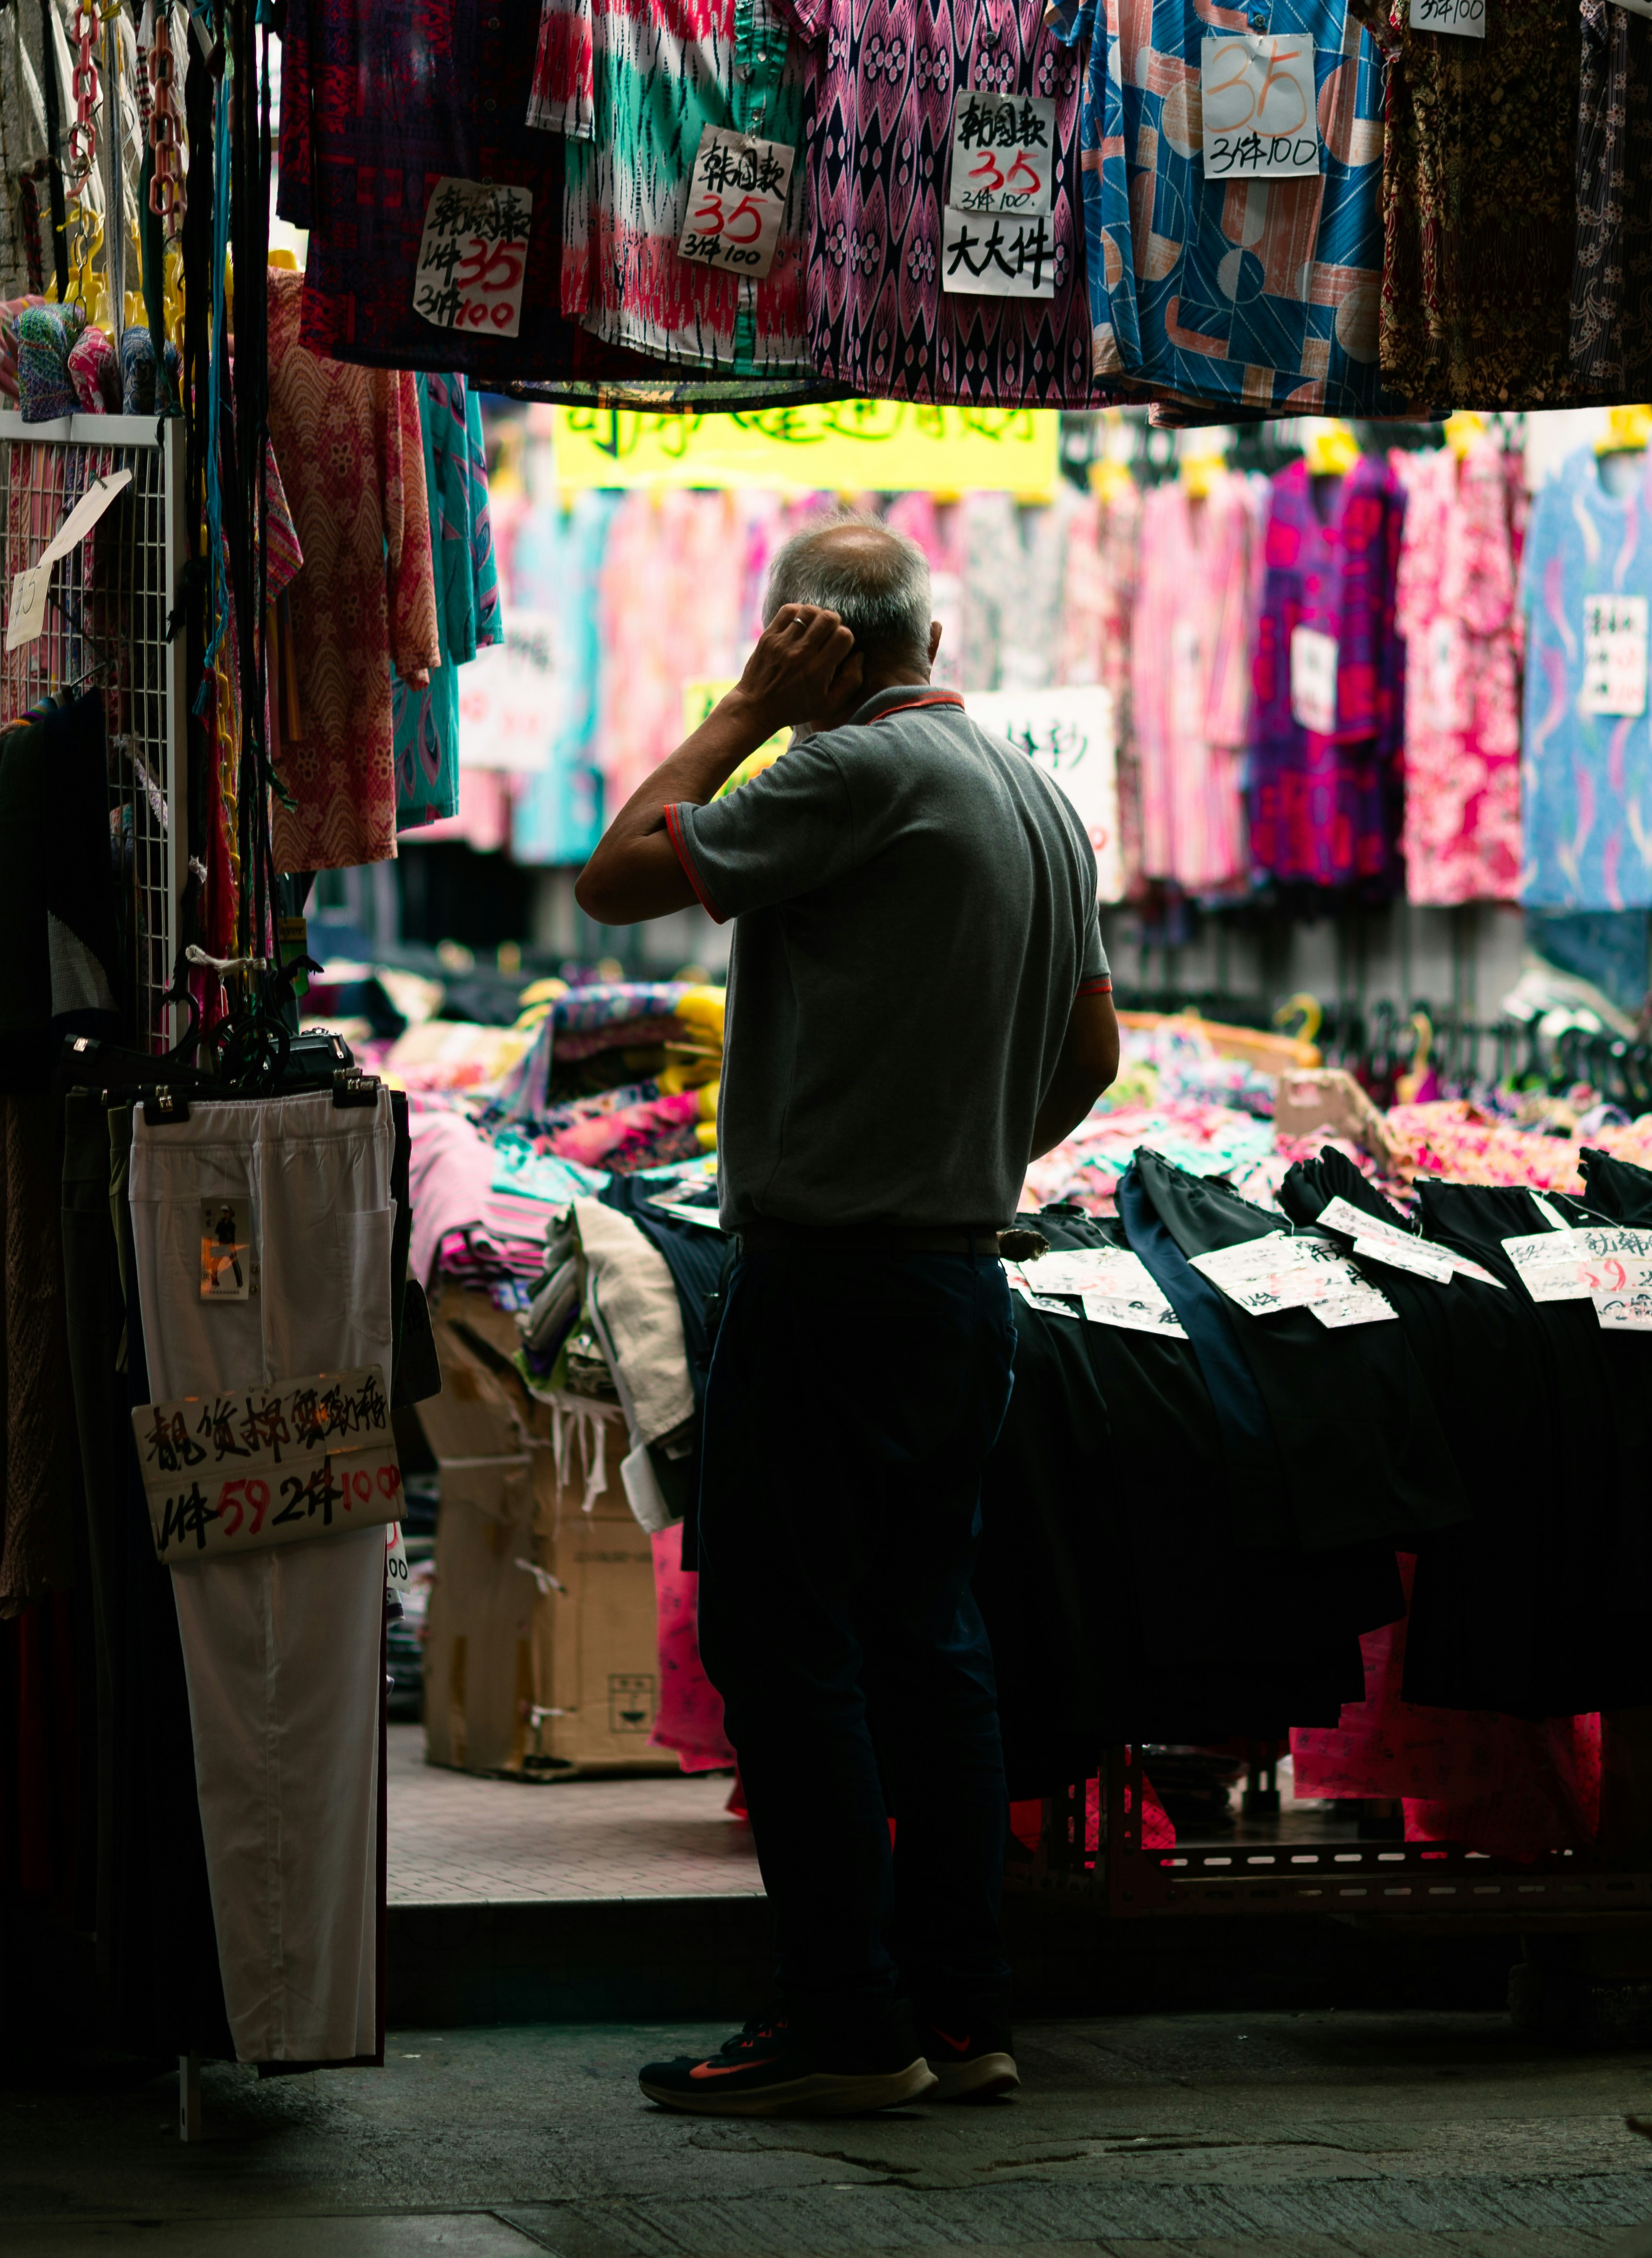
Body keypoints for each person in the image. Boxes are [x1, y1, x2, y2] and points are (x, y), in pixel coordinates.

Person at [573, 519, 1117, 2117]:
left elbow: (614, 876)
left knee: (782, 1638)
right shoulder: (1034, 792)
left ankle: (844, 2017)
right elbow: (1092, 1049)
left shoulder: (851, 771)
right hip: (958, 1278)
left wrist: (744, 706)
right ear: (931, 636)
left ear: (819, 636)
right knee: (929, 1641)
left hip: (831, 1279)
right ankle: (960, 2009)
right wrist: (970, 1150)